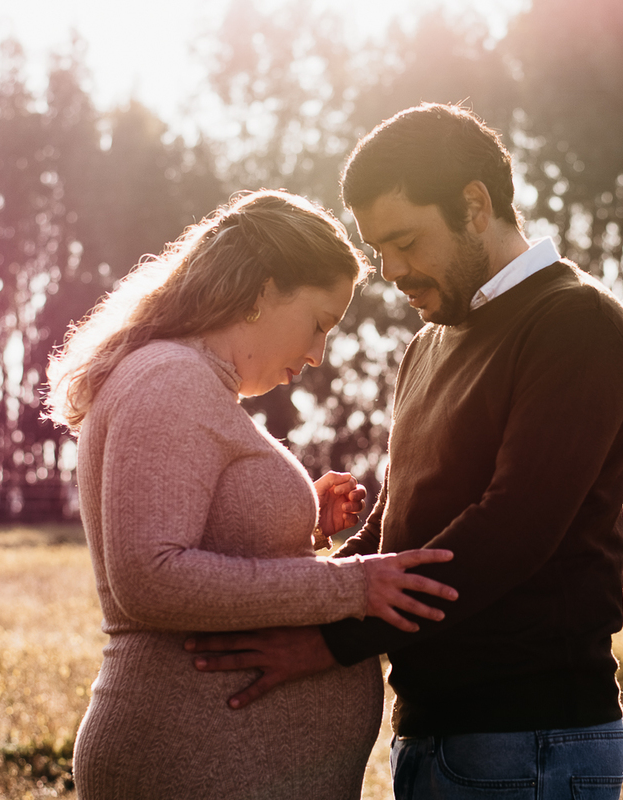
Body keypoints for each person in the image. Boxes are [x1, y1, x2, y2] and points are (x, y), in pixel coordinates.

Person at [186, 106, 623, 800]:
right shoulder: (430, 344)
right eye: (378, 249)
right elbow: (397, 528)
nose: (391, 270)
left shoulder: (576, 324)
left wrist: (330, 643)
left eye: (405, 240)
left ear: (474, 205)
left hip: (530, 737)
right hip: (434, 732)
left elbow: (512, 528)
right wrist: (301, 596)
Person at [44, 189, 459, 800]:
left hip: (220, 764)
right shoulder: (172, 380)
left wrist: (306, 523)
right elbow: (150, 576)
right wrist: (355, 584)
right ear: (264, 291)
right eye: (319, 323)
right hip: (196, 760)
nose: (318, 353)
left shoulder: (194, 384)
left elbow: (202, 534)